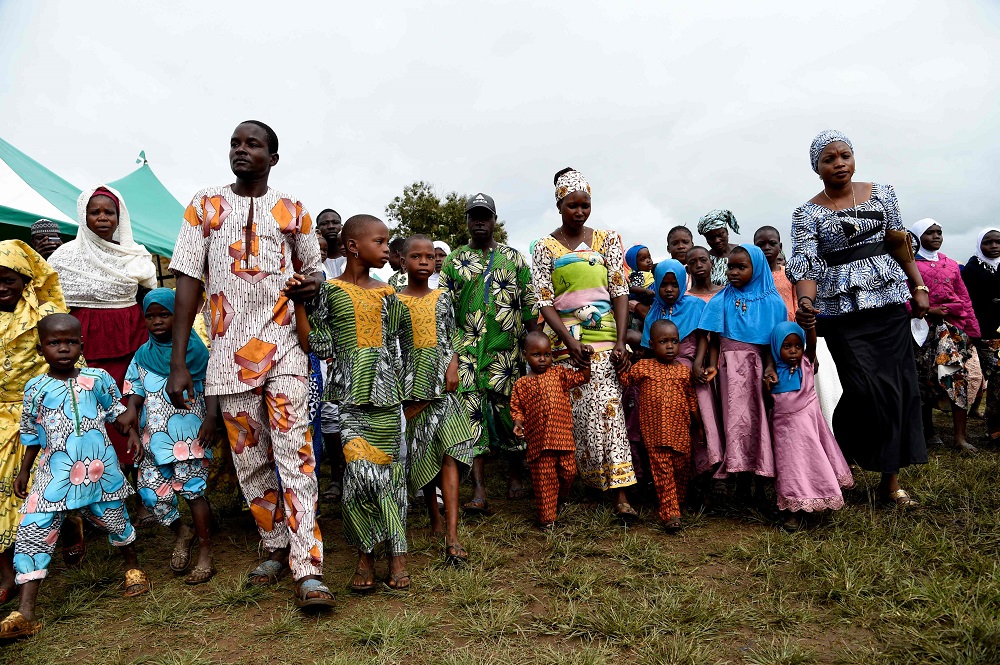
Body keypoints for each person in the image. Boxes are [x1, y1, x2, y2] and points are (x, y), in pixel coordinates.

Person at [166, 120, 333, 609]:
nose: (241, 150)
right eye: (235, 143)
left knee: (295, 456)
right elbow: (187, 283)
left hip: (284, 348)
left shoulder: (293, 209)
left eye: (252, 144)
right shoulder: (204, 205)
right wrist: (180, 361)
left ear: (273, 158)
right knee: (251, 460)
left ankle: (308, 567)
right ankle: (275, 544)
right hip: (226, 355)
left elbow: (315, 270)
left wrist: (312, 284)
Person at [788, 130, 929, 508]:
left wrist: (919, 288)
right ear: (816, 168)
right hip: (841, 314)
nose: (839, 164)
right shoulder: (807, 212)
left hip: (888, 305)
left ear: (854, 159)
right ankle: (843, 449)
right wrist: (805, 302)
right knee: (866, 390)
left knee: (900, 391)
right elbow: (806, 264)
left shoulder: (883, 192)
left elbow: (900, 243)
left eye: (845, 156)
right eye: (829, 159)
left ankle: (890, 480)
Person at [0, 314, 149, 640]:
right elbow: (30, 434)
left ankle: (132, 566)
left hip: (100, 470)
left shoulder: (98, 379)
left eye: (70, 342)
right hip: (55, 473)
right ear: (41, 349)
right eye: (55, 343)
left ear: (81, 345)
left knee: (115, 520)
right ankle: (25, 613)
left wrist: (133, 434)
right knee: (32, 529)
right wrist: (25, 468)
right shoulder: (36, 389)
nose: (63, 349)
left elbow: (118, 414)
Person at [307, 215, 410, 592]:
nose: (387, 249)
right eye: (380, 242)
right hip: (350, 397)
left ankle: (397, 552)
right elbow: (318, 344)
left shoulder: (388, 293)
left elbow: (401, 345)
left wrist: (408, 394)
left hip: (386, 397)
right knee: (358, 479)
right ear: (353, 246)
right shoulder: (330, 292)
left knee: (391, 478)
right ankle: (366, 552)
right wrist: (300, 306)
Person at [532, 168, 637, 519]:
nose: (579, 211)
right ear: (559, 205)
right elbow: (544, 301)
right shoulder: (545, 247)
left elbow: (620, 290)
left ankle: (621, 493)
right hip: (566, 347)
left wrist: (621, 341)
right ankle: (590, 484)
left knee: (610, 413)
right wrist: (567, 342)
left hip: (606, 341)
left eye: (585, 205)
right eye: (572, 205)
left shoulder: (607, 239)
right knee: (576, 418)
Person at [47, 186, 157, 473]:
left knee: (133, 404)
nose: (103, 217)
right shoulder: (63, 258)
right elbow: (52, 303)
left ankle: (140, 477)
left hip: (130, 339)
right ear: (83, 217)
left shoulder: (134, 255)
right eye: (94, 212)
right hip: (83, 343)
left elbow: (148, 296)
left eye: (110, 212)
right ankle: (100, 476)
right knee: (90, 407)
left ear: (121, 218)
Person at [440, 193, 537, 512]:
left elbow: (531, 307)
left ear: (495, 220)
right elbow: (443, 311)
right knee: (473, 420)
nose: (479, 221)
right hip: (466, 353)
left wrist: (532, 346)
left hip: (505, 355)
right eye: (473, 216)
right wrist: (450, 358)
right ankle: (479, 490)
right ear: (467, 221)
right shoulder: (454, 261)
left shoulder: (515, 258)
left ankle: (514, 476)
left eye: (485, 215)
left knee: (511, 417)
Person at [120, 289, 216, 584]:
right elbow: (135, 390)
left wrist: (212, 417)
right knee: (150, 493)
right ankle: (181, 532)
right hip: (153, 440)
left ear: (179, 317)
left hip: (189, 437)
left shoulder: (195, 350)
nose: (156, 321)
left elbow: (211, 383)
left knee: (194, 494)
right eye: (150, 316)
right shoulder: (142, 354)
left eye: (164, 314)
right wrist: (132, 421)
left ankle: (205, 553)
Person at [0, 240, 77, 606]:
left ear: (25, 279)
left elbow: (69, 359)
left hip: (41, 413)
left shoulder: (45, 312)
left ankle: (69, 534)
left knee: (45, 487)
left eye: (8, 279)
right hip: (0, 415)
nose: (1, 287)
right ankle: (8, 575)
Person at [395, 234, 474, 564]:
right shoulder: (395, 300)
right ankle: (434, 517)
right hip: (413, 386)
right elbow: (393, 345)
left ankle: (453, 535)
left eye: (429, 256)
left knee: (449, 452)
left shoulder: (443, 298)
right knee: (423, 452)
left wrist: (453, 365)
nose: (425, 261)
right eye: (417, 256)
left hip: (444, 383)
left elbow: (451, 336)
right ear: (403, 262)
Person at [694, 245, 787, 496]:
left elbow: (773, 341)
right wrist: (712, 364)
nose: (733, 272)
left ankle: (761, 478)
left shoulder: (773, 302)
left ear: (756, 269)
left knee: (758, 420)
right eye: (730, 267)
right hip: (728, 371)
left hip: (756, 369)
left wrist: (769, 366)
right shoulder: (722, 298)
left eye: (741, 267)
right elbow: (714, 336)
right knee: (733, 421)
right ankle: (738, 477)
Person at [763, 322, 853, 531]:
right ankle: (793, 510)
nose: (793, 351)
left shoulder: (807, 362)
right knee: (790, 470)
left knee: (812, 464)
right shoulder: (772, 372)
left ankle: (814, 500)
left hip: (808, 431)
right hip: (785, 434)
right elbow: (769, 403)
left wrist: (810, 326)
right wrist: (767, 384)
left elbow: (811, 343)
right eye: (787, 346)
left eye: (797, 345)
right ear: (777, 347)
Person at [642, 259, 724, 477]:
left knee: (701, 416)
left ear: (682, 283)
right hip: (662, 374)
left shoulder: (695, 305)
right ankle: (678, 472)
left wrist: (698, 363)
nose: (669, 290)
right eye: (664, 285)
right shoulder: (655, 311)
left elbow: (705, 336)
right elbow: (648, 345)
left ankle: (708, 471)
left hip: (691, 370)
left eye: (675, 284)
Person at [908, 218, 981, 453]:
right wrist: (929, 310)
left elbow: (964, 298)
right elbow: (902, 301)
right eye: (930, 233)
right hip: (922, 330)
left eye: (939, 232)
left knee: (957, 377)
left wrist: (972, 331)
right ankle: (927, 431)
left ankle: (960, 437)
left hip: (952, 330)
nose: (936, 236)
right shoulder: (909, 265)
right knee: (925, 379)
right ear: (918, 237)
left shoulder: (950, 264)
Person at [621, 319, 701, 531]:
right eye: (663, 341)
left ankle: (677, 501)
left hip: (681, 434)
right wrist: (622, 360)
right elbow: (626, 380)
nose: (669, 346)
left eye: (674, 341)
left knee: (681, 470)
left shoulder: (683, 371)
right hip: (655, 434)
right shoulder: (644, 367)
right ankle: (670, 514)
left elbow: (691, 400)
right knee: (662, 471)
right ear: (651, 344)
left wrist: (699, 426)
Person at [511, 331, 591, 530]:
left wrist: (586, 359)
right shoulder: (522, 383)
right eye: (536, 355)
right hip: (540, 442)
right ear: (525, 355)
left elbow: (583, 377)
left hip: (563, 437)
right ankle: (547, 519)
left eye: (547, 354)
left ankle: (559, 498)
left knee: (568, 472)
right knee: (544, 479)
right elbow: (517, 408)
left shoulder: (559, 373)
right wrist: (518, 423)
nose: (542, 359)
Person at [962, 228, 1000, 441]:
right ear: (980, 245)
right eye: (988, 242)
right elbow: (968, 303)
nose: (994, 246)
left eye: (998, 242)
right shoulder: (972, 270)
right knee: (997, 376)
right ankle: (994, 425)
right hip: (982, 332)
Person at [754, 226, 795, 318]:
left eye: (772, 243)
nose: (767, 247)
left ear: (780, 247)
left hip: (788, 328)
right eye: (761, 244)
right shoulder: (751, 277)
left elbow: (796, 302)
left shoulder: (789, 274)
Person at [697, 210, 740, 286]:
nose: (717, 241)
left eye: (720, 235)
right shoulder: (705, 259)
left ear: (727, 232)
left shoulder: (742, 252)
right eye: (711, 238)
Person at [625, 244, 655, 331]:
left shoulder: (651, 272)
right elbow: (632, 287)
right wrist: (645, 291)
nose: (648, 261)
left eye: (649, 257)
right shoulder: (638, 274)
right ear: (634, 264)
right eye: (643, 259)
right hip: (645, 297)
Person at [317, 209, 346, 279]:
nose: (331, 226)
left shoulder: (353, 256)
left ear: (342, 227)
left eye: (335, 222)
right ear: (317, 229)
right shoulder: (311, 260)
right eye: (324, 224)